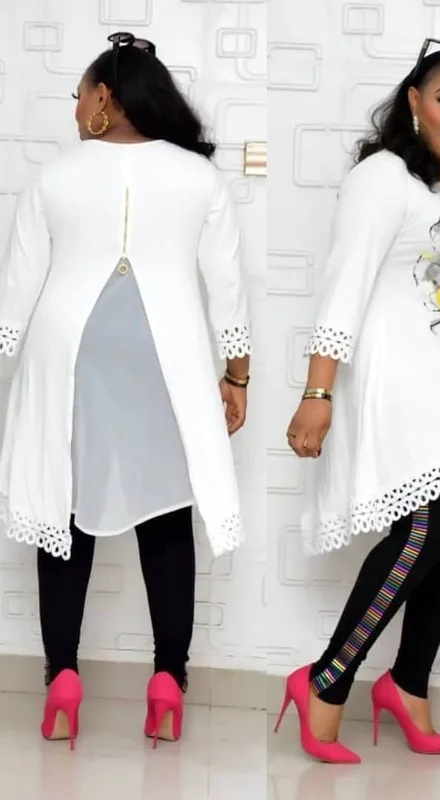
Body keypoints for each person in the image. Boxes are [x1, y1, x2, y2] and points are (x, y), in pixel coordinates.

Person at [273, 38, 440, 764]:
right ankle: (325, 680)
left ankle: (409, 685)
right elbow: (345, 284)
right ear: (414, 101)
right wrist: (318, 391)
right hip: (405, 387)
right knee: (425, 529)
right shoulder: (382, 177)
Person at [0, 32, 251, 748]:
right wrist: (237, 375)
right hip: (163, 356)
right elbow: (227, 287)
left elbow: (16, 291)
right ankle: (169, 677)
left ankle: (62, 677)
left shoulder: (54, 177)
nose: (75, 108)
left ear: (104, 97)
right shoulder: (200, 178)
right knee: (166, 513)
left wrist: (8, 349)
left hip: (71, 353)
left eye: (79, 94)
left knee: (64, 509)